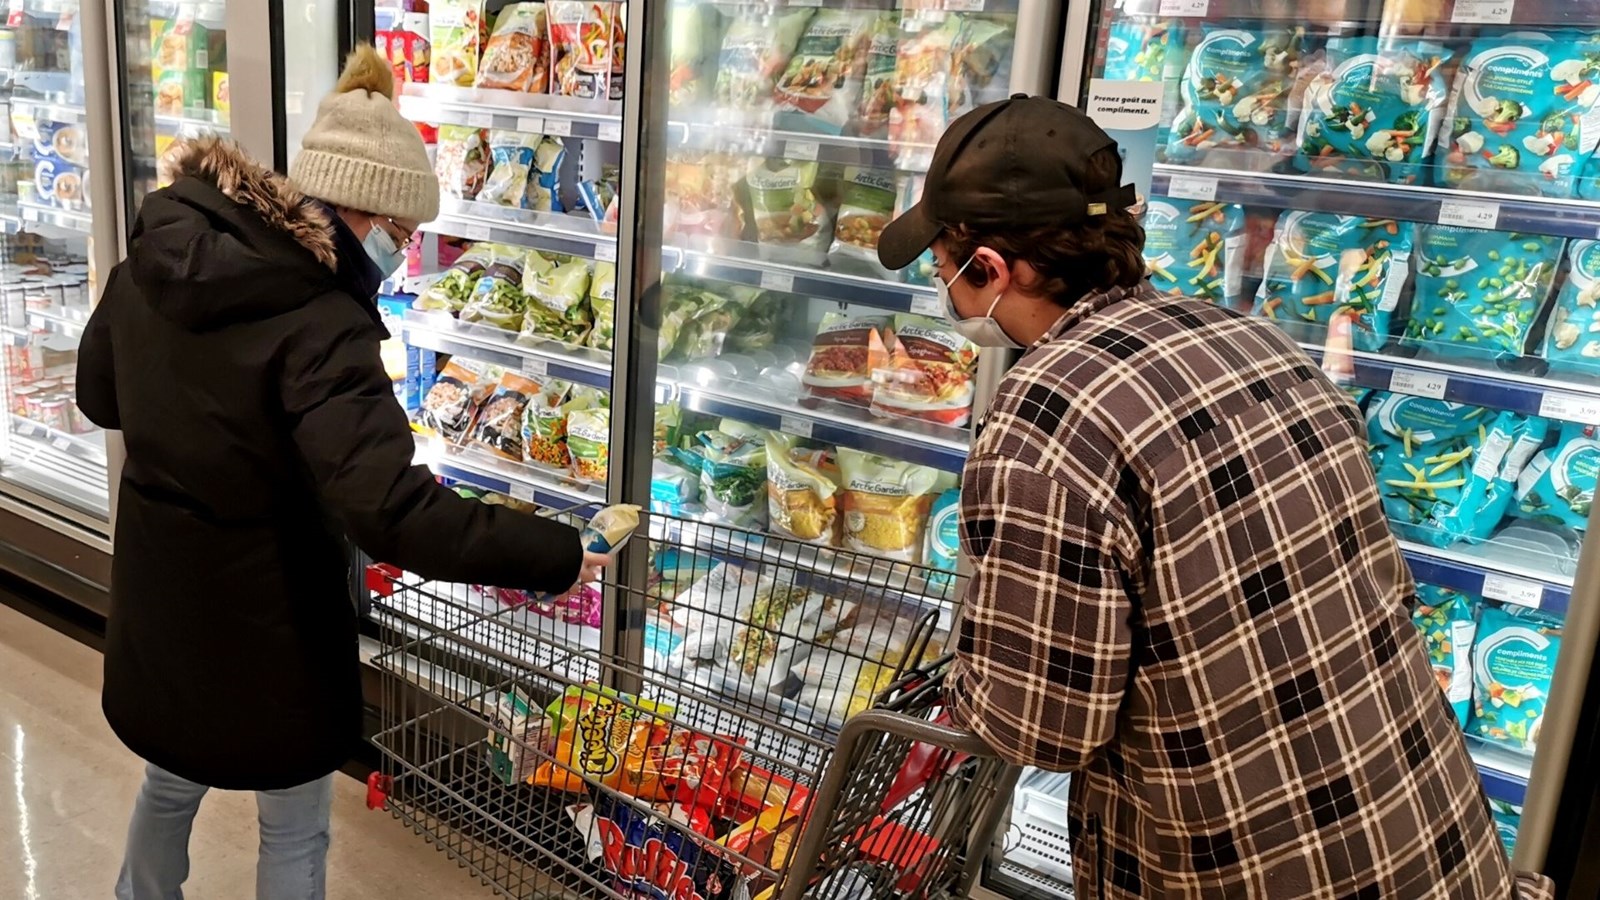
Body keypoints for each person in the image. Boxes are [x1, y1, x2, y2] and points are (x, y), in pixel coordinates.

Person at [876, 94, 1554, 900]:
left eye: (947, 266)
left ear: (990, 267)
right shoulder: (1254, 340)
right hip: (1437, 838)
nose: (947, 289)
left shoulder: (1045, 420)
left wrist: (956, 678)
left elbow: (1041, 726)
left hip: (1246, 870)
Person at [76, 46, 604, 900]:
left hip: (161, 600)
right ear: (363, 214)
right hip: (268, 624)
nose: (408, 250)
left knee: (168, 778)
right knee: (293, 820)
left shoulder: (154, 260)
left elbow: (99, 394)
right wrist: (553, 552)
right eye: (405, 232)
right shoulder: (323, 325)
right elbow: (391, 511)